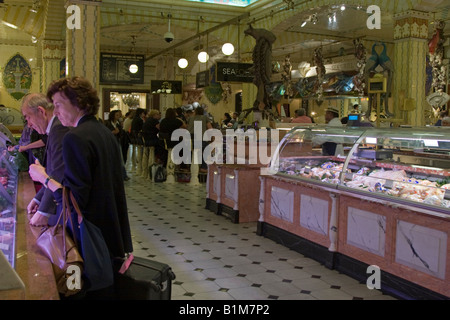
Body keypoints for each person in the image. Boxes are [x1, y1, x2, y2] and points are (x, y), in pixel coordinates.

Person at [29, 76, 133, 298]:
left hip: (89, 236)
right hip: (111, 229)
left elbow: (74, 198)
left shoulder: (74, 138)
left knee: (86, 291)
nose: (55, 112)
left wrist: (44, 177)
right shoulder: (104, 132)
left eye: (58, 104)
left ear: (79, 103)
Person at [21, 93, 70, 227]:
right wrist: (38, 198)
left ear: (41, 111)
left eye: (28, 117)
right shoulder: (54, 128)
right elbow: (52, 170)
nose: (29, 125)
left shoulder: (59, 128)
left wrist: (43, 212)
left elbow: (57, 174)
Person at [105, 110, 129, 180]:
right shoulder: (108, 123)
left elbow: (121, 133)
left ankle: (123, 175)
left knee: (120, 157)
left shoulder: (118, 124)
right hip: (110, 142)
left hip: (117, 142)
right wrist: (112, 132)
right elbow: (106, 132)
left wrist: (119, 131)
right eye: (117, 115)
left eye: (119, 115)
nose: (118, 116)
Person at [188, 106, 212, 171]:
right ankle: (203, 167)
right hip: (201, 139)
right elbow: (210, 128)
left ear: (195, 112)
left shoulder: (190, 118)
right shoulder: (205, 118)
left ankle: (191, 166)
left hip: (190, 140)